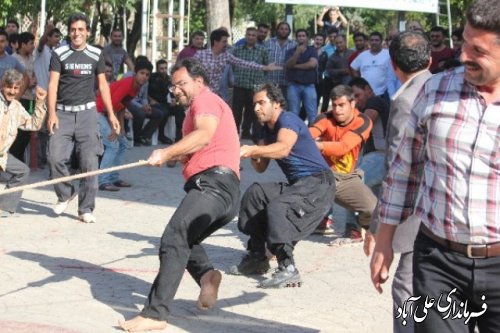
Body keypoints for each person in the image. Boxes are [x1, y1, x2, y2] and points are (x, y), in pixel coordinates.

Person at [370, 1, 500, 331]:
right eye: (464, 43)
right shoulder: (435, 89)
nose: (464, 55)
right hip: (438, 261)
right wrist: (384, 238)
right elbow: (404, 170)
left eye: (478, 50)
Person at [119, 57, 241, 332]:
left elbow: (205, 135)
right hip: (224, 190)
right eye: (174, 86)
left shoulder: (206, 101)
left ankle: (155, 313)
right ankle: (207, 275)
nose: (177, 90)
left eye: (182, 84)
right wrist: (177, 156)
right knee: (186, 237)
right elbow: (198, 144)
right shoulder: (197, 110)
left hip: (214, 185)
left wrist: (166, 151)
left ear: (199, 82)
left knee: (174, 237)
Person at [229, 83, 335, 288]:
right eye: (255, 104)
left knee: (279, 208)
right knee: (256, 194)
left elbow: (283, 149)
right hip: (299, 185)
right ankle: (257, 257)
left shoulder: (288, 119)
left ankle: (288, 268)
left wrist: (252, 150)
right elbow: (260, 168)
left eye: (261, 103)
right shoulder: (264, 129)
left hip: (319, 183)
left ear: (276, 103)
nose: (256, 108)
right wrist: (241, 153)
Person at [363, 30, 432, 333]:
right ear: (430, 59)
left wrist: (379, 228)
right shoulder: (444, 89)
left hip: (421, 210)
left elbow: (399, 169)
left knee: (407, 286)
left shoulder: (407, 100)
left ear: (392, 65)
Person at [47, 12, 120, 224]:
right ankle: (66, 193)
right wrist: (51, 113)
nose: (76, 33)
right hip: (62, 113)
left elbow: (103, 85)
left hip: (88, 114)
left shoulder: (96, 54)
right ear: (69, 32)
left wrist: (111, 113)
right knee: (54, 157)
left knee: (89, 161)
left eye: (80, 29)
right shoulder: (58, 54)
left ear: (87, 31)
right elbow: (52, 84)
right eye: (73, 30)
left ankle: (86, 208)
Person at [309, 85, 377, 240]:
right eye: (334, 106)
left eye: (342, 105)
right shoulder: (325, 118)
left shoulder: (363, 121)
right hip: (322, 175)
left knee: (372, 209)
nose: (337, 110)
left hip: (347, 177)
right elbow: (307, 136)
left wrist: (318, 145)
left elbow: (343, 147)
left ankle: (356, 228)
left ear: (352, 104)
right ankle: (319, 220)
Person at [96, 59, 153, 191]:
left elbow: (122, 106)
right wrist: (114, 126)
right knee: (113, 145)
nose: (144, 76)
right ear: (135, 73)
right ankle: (103, 181)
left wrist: (121, 127)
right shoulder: (127, 84)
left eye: (147, 74)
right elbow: (109, 104)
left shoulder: (136, 87)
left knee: (122, 144)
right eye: (142, 73)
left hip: (107, 114)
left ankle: (113, 178)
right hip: (99, 112)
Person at [0, 69, 46, 217]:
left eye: (16, 88)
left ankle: (4, 207)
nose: (12, 91)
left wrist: (39, 102)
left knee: (22, 171)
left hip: (2, 156)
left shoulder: (17, 107)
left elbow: (34, 125)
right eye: (9, 87)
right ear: (2, 85)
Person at [194, 28, 280, 98]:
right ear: (215, 42)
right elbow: (190, 71)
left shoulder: (226, 56)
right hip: (199, 93)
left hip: (214, 94)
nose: (226, 44)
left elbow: (243, 63)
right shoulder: (200, 55)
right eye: (224, 41)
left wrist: (265, 67)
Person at [232, 27, 268, 141]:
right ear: (245, 36)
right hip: (240, 85)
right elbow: (233, 65)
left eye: (253, 35)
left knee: (252, 111)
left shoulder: (262, 51)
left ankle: (248, 133)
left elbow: (266, 67)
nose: (251, 37)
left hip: (255, 86)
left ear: (256, 37)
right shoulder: (237, 50)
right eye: (249, 35)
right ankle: (234, 133)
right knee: (236, 112)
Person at [9, 32, 37, 163]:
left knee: (27, 131)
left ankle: (18, 161)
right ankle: (15, 161)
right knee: (18, 133)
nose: (33, 46)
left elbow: (34, 74)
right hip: (19, 99)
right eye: (31, 43)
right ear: (23, 44)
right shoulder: (14, 59)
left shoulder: (32, 58)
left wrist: (34, 81)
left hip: (30, 100)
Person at [285, 29, 319, 124]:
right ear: (296, 38)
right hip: (294, 85)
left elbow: (312, 64)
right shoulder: (290, 51)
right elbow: (288, 65)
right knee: (293, 112)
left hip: (309, 85)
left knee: (312, 113)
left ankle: (313, 134)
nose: (301, 38)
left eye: (303, 36)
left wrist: (295, 66)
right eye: (299, 36)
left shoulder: (312, 50)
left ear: (307, 38)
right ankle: (294, 134)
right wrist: (297, 52)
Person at [351, 32, 392, 99]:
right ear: (369, 42)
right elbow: (353, 67)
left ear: (381, 41)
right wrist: (359, 81)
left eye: (376, 40)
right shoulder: (363, 55)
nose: (374, 42)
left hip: (384, 93)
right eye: (372, 40)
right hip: (367, 94)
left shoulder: (388, 54)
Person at [263, 22, 297, 98]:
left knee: (286, 106)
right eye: (281, 29)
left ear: (289, 31)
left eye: (286, 29)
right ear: (277, 30)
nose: (283, 31)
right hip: (270, 81)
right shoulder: (268, 43)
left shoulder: (294, 45)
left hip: (287, 82)